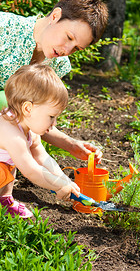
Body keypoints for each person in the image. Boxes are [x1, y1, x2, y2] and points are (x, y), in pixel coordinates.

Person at [0, 0, 108, 163]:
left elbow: (37, 118)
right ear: (55, 16)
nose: (67, 50)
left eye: (76, 48)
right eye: (69, 37)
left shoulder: (58, 65)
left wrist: (71, 145)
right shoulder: (4, 28)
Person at [0, 64, 82, 218]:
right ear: (28, 109)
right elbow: (31, 170)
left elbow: (42, 157)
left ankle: (4, 199)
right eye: (51, 116)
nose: (54, 123)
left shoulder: (28, 128)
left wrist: (63, 179)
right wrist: (58, 185)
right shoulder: (12, 134)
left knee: (10, 163)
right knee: (10, 165)